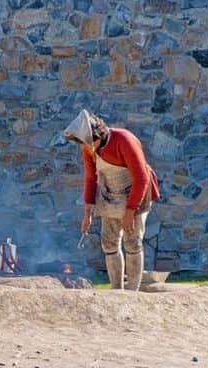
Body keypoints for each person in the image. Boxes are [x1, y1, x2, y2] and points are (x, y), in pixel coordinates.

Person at [63, 110, 160, 291]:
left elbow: (141, 178)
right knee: (109, 242)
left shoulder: (124, 140)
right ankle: (116, 292)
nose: (86, 147)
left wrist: (130, 212)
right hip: (111, 195)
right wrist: (87, 214)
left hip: (137, 194)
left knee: (133, 242)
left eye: (88, 142)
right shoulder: (89, 148)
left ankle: (132, 292)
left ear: (98, 134)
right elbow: (91, 179)